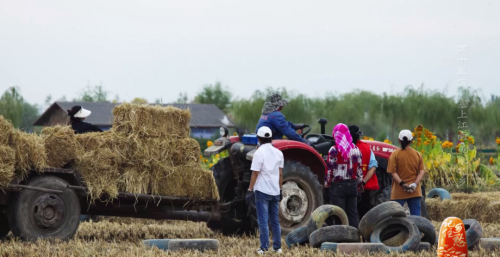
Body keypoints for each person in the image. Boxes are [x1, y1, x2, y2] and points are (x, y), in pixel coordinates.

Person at [247, 126, 284, 254]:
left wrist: (250, 189)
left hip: (262, 192)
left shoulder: (259, 153)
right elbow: (280, 174)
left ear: (259, 139)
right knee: (275, 221)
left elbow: (255, 174)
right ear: (271, 138)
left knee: (263, 221)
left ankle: (263, 248)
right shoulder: (279, 153)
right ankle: (277, 247)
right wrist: (280, 190)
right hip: (275, 191)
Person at [325, 123, 364, 228]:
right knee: (352, 213)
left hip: (338, 186)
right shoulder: (356, 149)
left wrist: (327, 183)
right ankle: (355, 238)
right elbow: (359, 170)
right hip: (353, 185)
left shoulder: (333, 150)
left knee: (339, 214)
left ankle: (340, 238)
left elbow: (330, 169)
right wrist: (360, 184)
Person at [387, 129, 426, 216]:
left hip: (398, 192)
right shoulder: (417, 154)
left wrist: (402, 184)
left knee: (395, 218)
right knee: (416, 219)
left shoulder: (395, 154)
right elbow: (422, 171)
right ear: (411, 141)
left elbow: (393, 172)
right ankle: (416, 230)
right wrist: (415, 184)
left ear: (399, 140)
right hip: (415, 192)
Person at [348, 125, 380, 219]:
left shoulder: (341, 148)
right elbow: (373, 166)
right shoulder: (366, 148)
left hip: (345, 187)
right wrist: (363, 182)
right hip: (363, 188)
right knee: (364, 214)